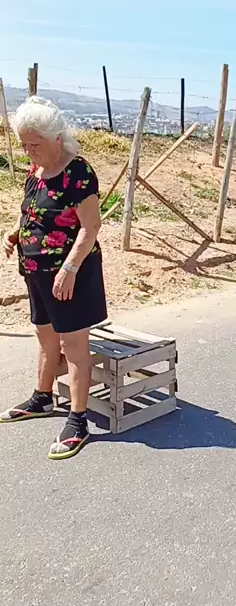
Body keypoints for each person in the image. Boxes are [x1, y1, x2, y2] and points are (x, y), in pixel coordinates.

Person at [1, 96, 107, 458]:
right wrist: (14, 233)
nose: (28, 152)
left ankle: (78, 421)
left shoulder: (78, 172)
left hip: (70, 275)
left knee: (74, 346)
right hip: (36, 272)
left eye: (35, 144)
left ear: (56, 139)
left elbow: (90, 227)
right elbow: (33, 212)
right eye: (24, 145)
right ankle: (42, 397)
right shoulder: (36, 170)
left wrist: (69, 269)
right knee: (45, 338)